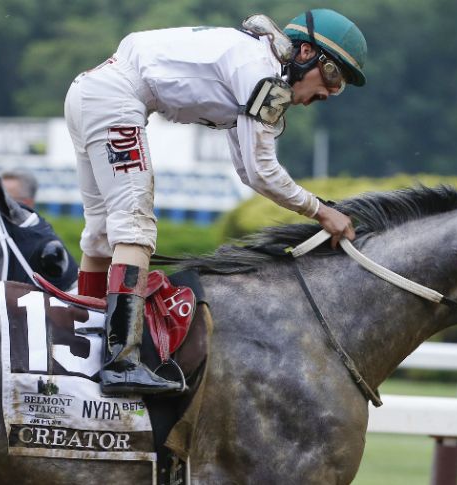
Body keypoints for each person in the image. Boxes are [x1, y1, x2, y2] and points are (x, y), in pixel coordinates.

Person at [64, 8, 367, 395]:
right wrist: (322, 211)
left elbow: (247, 170)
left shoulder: (254, 64)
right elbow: (261, 171)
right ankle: (120, 361)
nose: (326, 94)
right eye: (333, 76)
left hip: (90, 91)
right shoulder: (266, 76)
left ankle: (81, 335)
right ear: (306, 52)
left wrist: (318, 206)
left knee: (102, 233)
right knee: (134, 229)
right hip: (116, 100)